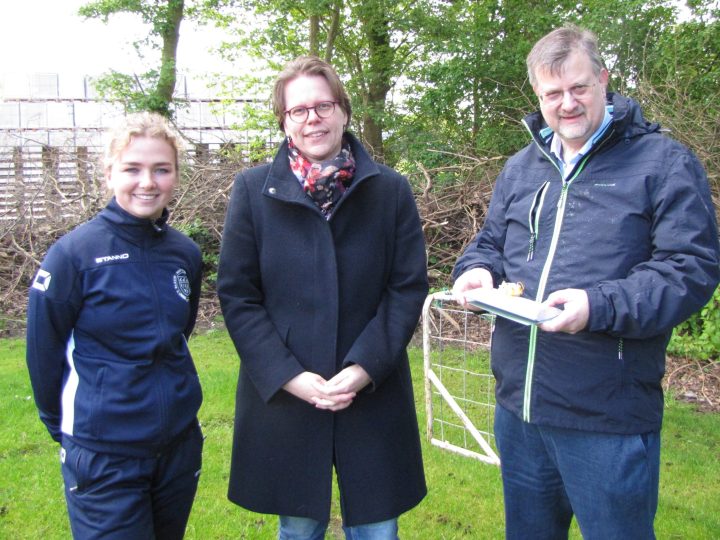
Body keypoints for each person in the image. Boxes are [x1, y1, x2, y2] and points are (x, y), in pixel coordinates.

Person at [452, 26, 720, 540]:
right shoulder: (521, 168)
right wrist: (477, 271)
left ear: (604, 80)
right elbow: (488, 243)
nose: (566, 103)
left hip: (606, 416)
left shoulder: (662, 164)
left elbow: (690, 269)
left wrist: (597, 306)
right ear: (538, 96)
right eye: (553, 93)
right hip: (520, 411)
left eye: (579, 88)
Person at [217, 56, 428, 539]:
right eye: (299, 111)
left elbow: (406, 288)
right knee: (298, 526)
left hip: (372, 389)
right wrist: (289, 377)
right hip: (291, 394)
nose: (312, 119)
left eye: (322, 106)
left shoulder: (390, 190)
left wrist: (363, 369)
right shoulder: (252, 191)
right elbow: (238, 295)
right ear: (284, 121)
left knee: (378, 528)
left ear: (344, 112)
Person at [26, 112, 204, 539]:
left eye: (161, 169)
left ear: (176, 176)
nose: (148, 182)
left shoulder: (185, 253)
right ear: (109, 174)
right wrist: (71, 433)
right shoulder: (73, 256)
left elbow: (180, 333)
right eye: (133, 169)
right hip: (104, 454)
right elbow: (43, 356)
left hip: (177, 449)